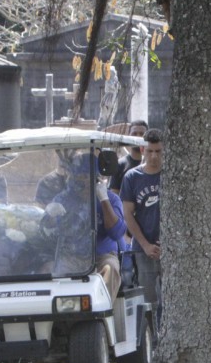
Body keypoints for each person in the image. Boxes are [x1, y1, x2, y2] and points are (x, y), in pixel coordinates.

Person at [46, 152, 126, 300]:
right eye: (78, 177)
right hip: (71, 255)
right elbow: (48, 232)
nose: (80, 182)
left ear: (95, 178)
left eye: (85, 177)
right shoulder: (64, 198)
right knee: (49, 270)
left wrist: (104, 200)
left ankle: (101, 310)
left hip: (101, 255)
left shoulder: (111, 199)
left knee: (111, 269)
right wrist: (49, 216)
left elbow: (116, 233)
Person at [121, 130, 163, 320]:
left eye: (158, 151)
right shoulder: (132, 177)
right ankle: (152, 341)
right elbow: (127, 214)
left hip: (170, 248)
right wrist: (145, 245)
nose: (154, 156)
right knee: (148, 302)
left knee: (170, 299)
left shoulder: (173, 175)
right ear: (142, 150)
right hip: (143, 247)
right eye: (150, 151)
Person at [109, 120, 147, 192]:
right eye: (134, 134)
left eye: (142, 134)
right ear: (129, 136)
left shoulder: (152, 164)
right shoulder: (120, 165)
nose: (138, 137)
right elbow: (114, 194)